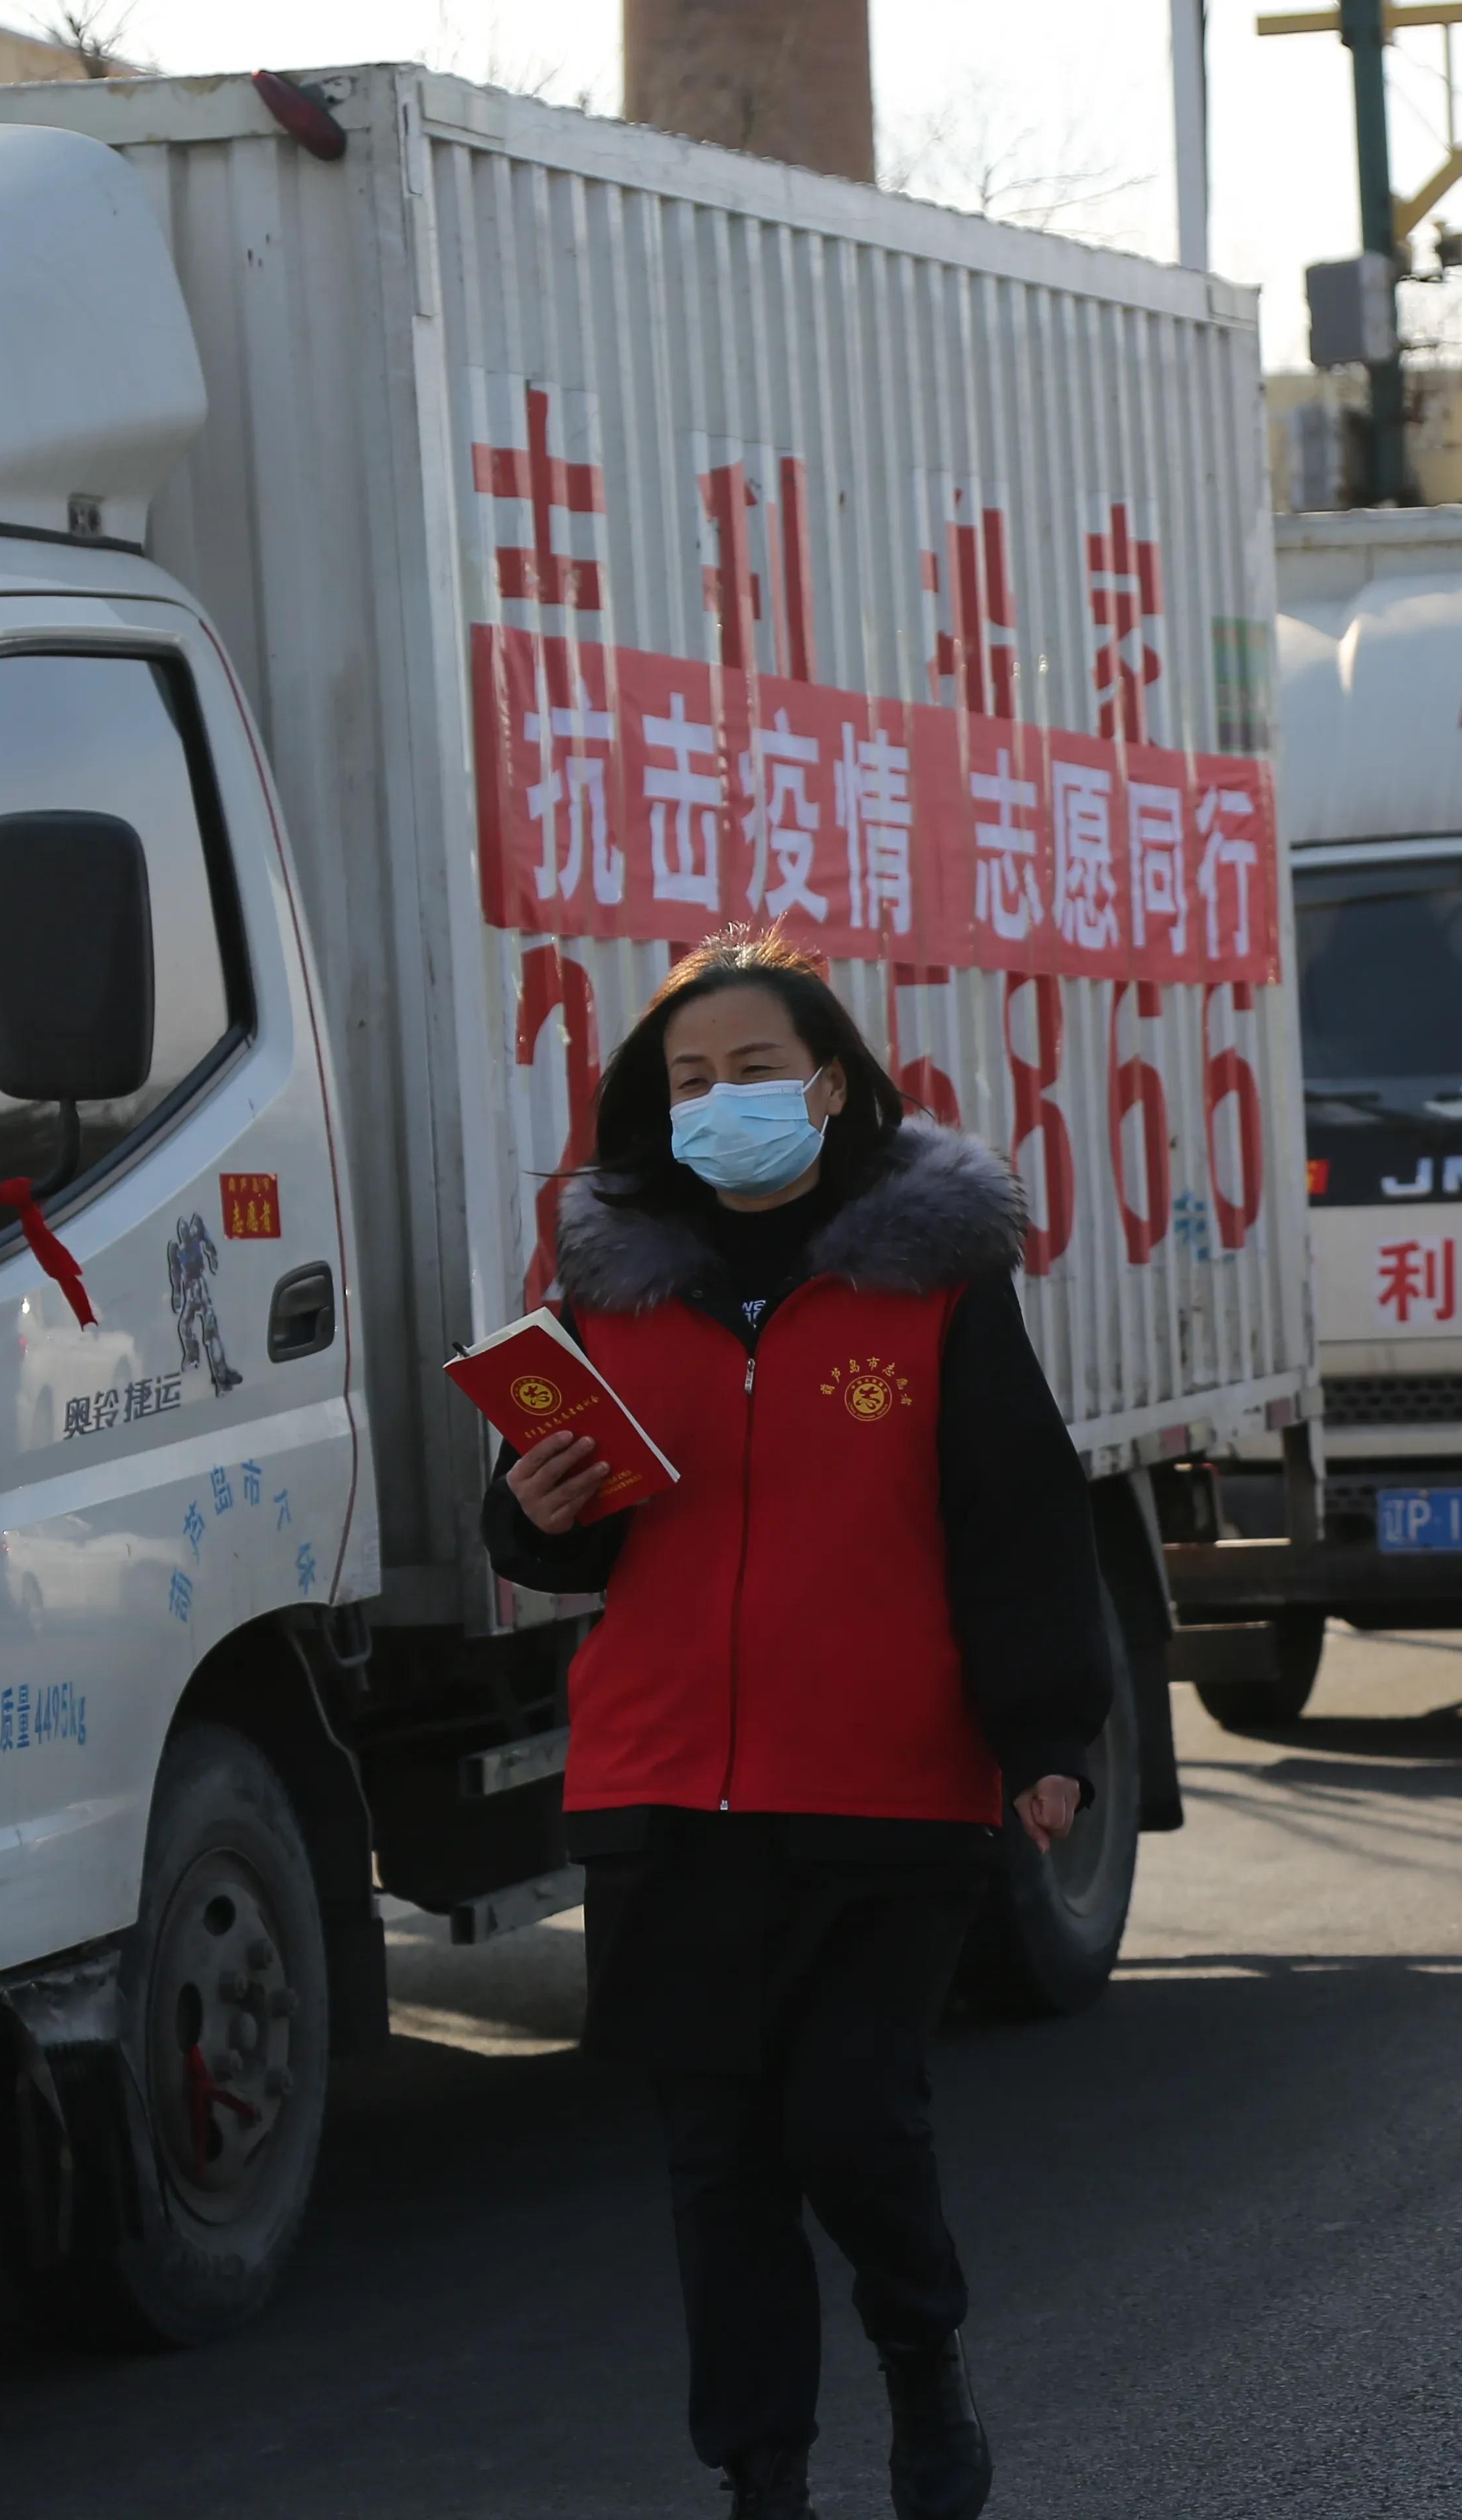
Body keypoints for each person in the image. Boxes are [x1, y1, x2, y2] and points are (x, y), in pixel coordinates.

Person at [484, 931, 1108, 2520]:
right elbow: (562, 1539)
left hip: (886, 1788)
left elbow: (1018, 1519)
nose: (720, 1100)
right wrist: (529, 1504)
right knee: (718, 2154)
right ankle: (760, 2472)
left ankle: (918, 2351)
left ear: (827, 1087)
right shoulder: (609, 1294)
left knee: (847, 2119)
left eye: (753, 1069)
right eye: (688, 1079)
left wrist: (1045, 1733)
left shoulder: (934, 1289)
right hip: (661, 1783)